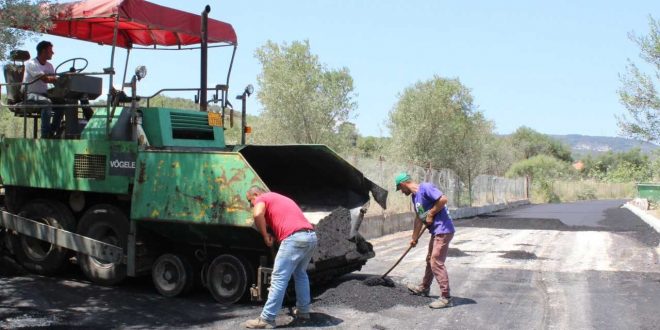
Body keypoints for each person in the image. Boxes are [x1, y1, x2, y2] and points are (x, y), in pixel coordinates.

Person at [244, 186, 318, 329]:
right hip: (310, 237)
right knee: (301, 274)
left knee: (278, 278)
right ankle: (303, 312)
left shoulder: (262, 198)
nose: (250, 204)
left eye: (250, 200)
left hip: (295, 238)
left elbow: (257, 214)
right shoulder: (280, 198)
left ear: (256, 194)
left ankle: (267, 319)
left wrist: (265, 235)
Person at [395, 172, 456, 309]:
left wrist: (431, 213)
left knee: (436, 261)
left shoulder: (426, 187)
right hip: (436, 231)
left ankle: (446, 298)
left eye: (400, 188)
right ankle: (424, 288)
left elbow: (443, 199)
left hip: (444, 229)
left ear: (403, 184)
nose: (401, 192)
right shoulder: (415, 198)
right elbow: (418, 219)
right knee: (430, 260)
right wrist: (414, 238)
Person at [22, 40, 62, 138]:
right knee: (47, 102)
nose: (53, 53)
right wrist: (59, 79)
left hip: (43, 94)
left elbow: (54, 81)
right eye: (50, 50)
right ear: (43, 51)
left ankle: (53, 131)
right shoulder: (31, 63)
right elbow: (45, 79)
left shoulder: (49, 66)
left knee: (63, 103)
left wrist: (66, 80)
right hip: (29, 94)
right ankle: (45, 135)